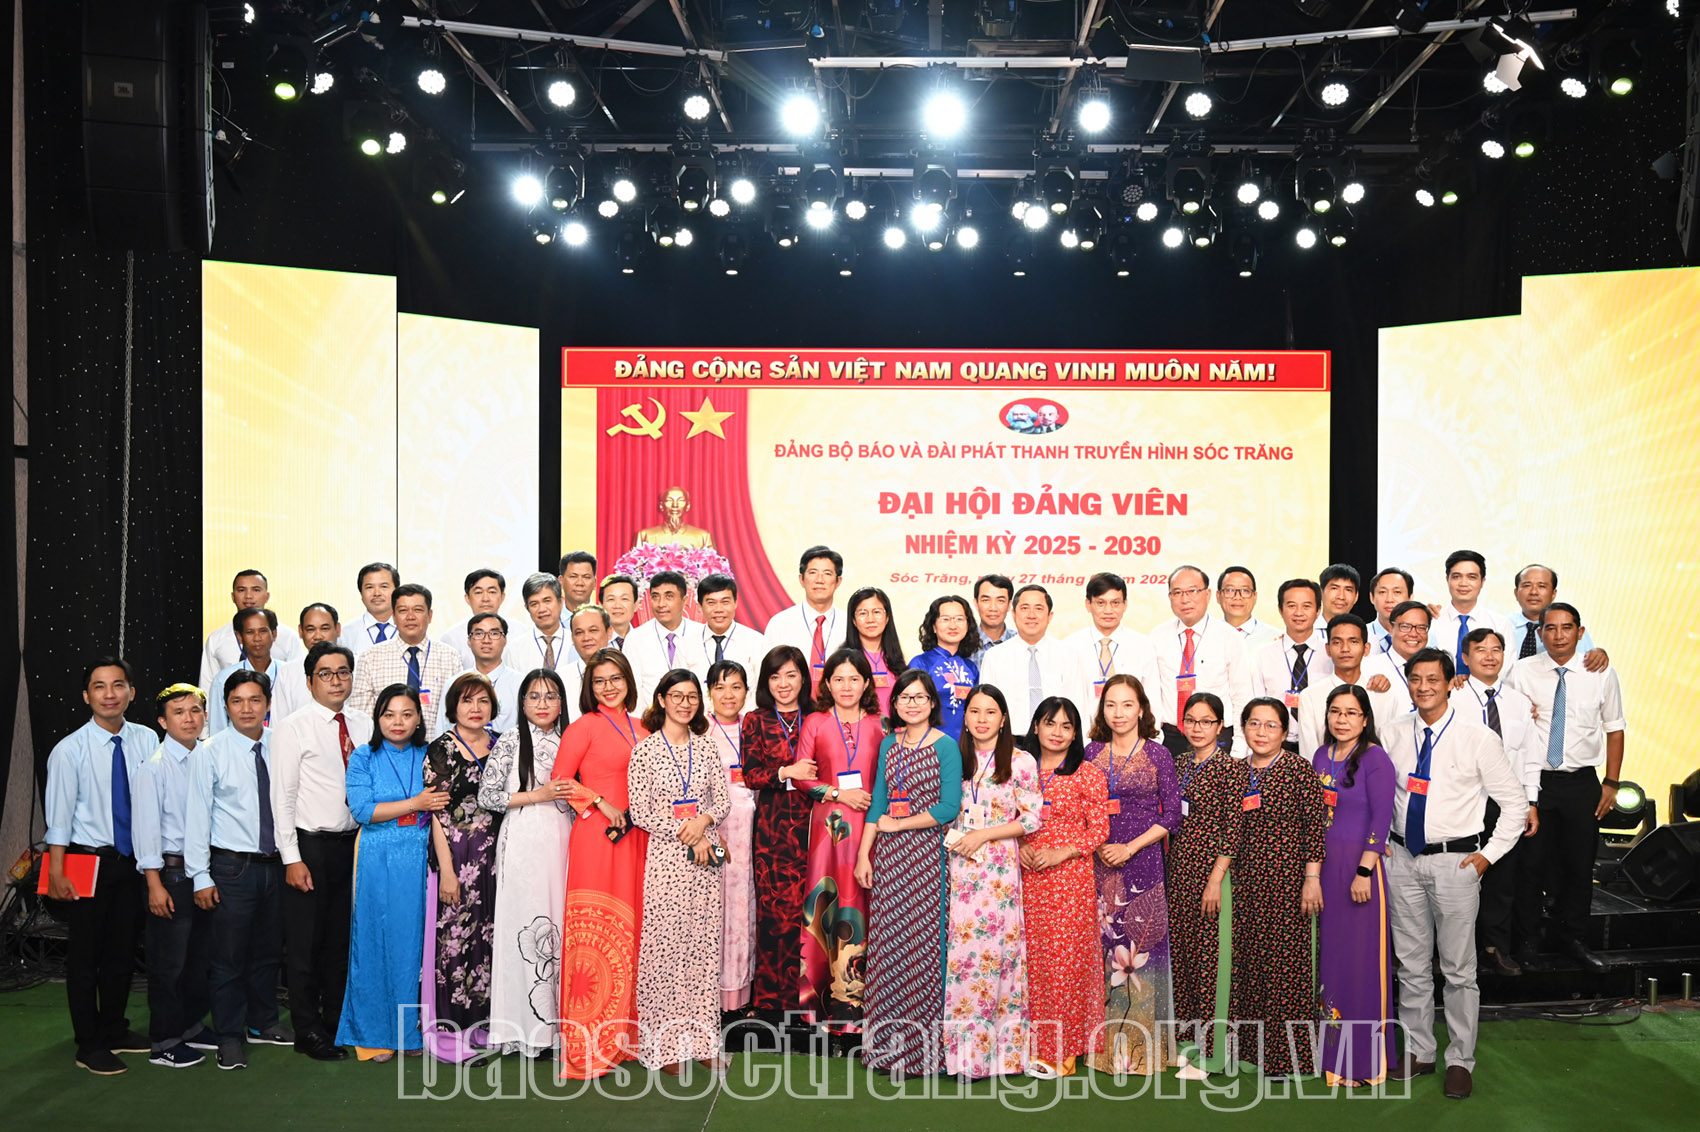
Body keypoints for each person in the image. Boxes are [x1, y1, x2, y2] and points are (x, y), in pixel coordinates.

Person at [1385, 648, 1525, 1100]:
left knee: (1459, 970)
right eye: (1416, 679)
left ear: (1450, 683)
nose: (1423, 687)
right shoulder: (1392, 732)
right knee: (1411, 966)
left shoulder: (1477, 738)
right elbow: (1381, 793)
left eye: (1433, 679)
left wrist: (1488, 856)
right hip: (1401, 860)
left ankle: (1461, 1059)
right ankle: (1421, 1051)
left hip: (1457, 863)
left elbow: (1515, 806)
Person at [1504, 603, 1626, 973]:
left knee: (1579, 864)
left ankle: (1573, 937)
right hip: (1535, 782)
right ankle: (1527, 939)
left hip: (1581, 782)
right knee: (1530, 864)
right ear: (1540, 633)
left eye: (1566, 628)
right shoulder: (1522, 671)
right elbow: (1507, 722)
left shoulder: (1600, 672)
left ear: (1579, 631)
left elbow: (1615, 728)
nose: (1558, 636)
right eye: (1551, 628)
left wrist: (1611, 782)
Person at [856, 670, 963, 1077]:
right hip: (889, 859)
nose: (912, 704)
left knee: (923, 949)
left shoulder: (946, 746)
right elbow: (878, 803)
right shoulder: (889, 744)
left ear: (932, 703)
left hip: (927, 857)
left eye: (920, 697)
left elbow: (948, 808)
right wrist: (864, 855)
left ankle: (923, 1055)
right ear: (895, 703)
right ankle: (885, 1050)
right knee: (888, 949)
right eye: (905, 697)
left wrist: (900, 825)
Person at [628, 669, 734, 1074]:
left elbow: (722, 801)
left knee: (703, 951)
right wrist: (685, 831)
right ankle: (665, 1046)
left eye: (692, 696)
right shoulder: (645, 751)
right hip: (667, 860)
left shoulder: (706, 747)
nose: (685, 703)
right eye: (677, 695)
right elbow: (640, 812)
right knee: (665, 950)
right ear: (661, 699)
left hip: (705, 863)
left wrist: (703, 821)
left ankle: (704, 1043)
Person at [185, 670, 292, 1071]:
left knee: (268, 953)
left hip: (276, 865)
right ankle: (229, 1036)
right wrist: (200, 876)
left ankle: (263, 1022)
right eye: (237, 701)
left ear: (268, 704)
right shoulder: (209, 751)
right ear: (225, 706)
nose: (247, 709)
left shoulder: (281, 745)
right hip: (231, 868)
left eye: (255, 700)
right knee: (228, 958)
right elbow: (196, 817)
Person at [552, 647, 650, 1079]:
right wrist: (599, 802)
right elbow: (560, 780)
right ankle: (586, 1047)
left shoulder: (644, 726)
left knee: (634, 934)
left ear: (628, 680)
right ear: (590, 688)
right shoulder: (583, 727)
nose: (609, 687)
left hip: (640, 839)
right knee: (595, 935)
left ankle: (626, 1040)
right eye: (599, 681)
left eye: (615, 678)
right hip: (597, 837)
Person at [270, 644, 366, 1062]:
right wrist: (291, 858)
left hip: (355, 845)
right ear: (310, 681)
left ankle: (335, 1022)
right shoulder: (292, 727)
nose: (336, 681)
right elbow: (282, 797)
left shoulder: (364, 723)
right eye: (325, 674)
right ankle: (307, 1029)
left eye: (343, 672)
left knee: (341, 942)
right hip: (310, 846)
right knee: (306, 944)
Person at [337, 685, 443, 1062]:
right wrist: (416, 803)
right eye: (389, 714)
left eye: (406, 714)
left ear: (419, 719)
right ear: (377, 718)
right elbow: (363, 811)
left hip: (420, 855)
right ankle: (375, 1033)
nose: (397, 722)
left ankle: (411, 1031)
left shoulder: (429, 755)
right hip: (377, 856)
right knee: (375, 940)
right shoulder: (364, 756)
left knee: (414, 944)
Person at [942, 685, 1041, 1079]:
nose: (982, 719)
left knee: (998, 958)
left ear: (1003, 719)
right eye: (975, 711)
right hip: (958, 867)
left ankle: (1003, 1057)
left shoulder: (1021, 760)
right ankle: (961, 1057)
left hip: (998, 872)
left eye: (990, 712)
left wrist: (984, 835)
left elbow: (1031, 819)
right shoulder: (953, 756)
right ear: (965, 718)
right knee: (961, 959)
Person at [1225, 697, 1328, 1079]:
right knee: (1249, 966)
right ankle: (1251, 1052)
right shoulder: (1237, 772)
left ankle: (1288, 1058)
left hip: (1288, 885)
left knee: (1286, 969)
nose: (1262, 732)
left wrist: (1312, 879)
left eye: (1271, 725)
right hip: (1244, 885)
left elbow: (1314, 830)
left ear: (1285, 732)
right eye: (1254, 723)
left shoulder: (1299, 770)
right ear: (1243, 728)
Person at [1085, 674, 1180, 1076]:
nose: (1118, 713)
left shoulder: (1158, 754)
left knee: (1142, 949)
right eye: (1111, 704)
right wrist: (1098, 846)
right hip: (1099, 863)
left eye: (1127, 704)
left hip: (1142, 862)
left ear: (1141, 709)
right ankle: (1102, 1048)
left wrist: (1130, 847)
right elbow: (1081, 808)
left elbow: (1171, 815)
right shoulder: (1091, 752)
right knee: (1104, 947)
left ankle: (1140, 1051)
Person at [479, 669, 575, 1059]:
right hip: (521, 839)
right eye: (533, 696)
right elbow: (488, 795)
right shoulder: (511, 740)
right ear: (522, 703)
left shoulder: (572, 738)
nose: (542, 703)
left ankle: (559, 1030)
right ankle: (523, 1030)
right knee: (523, 925)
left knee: (560, 923)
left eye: (550, 696)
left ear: (562, 702)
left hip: (564, 839)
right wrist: (539, 794)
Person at [794, 647, 885, 1039]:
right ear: (827, 684)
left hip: (869, 829)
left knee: (863, 906)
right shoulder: (815, 723)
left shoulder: (880, 724)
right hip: (828, 831)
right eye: (839, 679)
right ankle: (819, 1006)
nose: (846, 686)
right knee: (825, 907)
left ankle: (863, 1009)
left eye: (854, 678)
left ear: (866, 683)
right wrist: (837, 793)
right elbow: (802, 778)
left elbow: (887, 779)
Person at [1019, 696, 1108, 1078]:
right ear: (1035, 726)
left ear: (1075, 734)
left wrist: (1062, 852)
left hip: (1069, 880)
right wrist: (1019, 846)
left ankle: (1063, 1054)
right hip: (1025, 878)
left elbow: (1099, 829)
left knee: (1065, 965)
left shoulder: (1087, 774)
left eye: (1066, 726)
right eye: (1050, 723)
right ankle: (1028, 1047)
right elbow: (1003, 815)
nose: (1057, 732)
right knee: (1031, 964)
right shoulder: (1019, 768)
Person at [1312, 685, 1396, 1087]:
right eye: (1335, 711)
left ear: (1365, 719)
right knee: (1331, 958)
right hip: (1324, 869)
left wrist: (1365, 869)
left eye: (1351, 712)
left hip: (1358, 871)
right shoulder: (1320, 756)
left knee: (1361, 963)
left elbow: (1382, 818)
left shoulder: (1375, 759)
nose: (1341, 719)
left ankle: (1363, 1062)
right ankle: (1331, 1055)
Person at [1450, 629, 1542, 976]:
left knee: (1502, 879)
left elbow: (1530, 755)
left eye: (1496, 649)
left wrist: (1531, 801)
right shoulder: (1452, 697)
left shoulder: (1519, 702)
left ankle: (1494, 947)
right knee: (1459, 876)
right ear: (1465, 658)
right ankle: (1456, 950)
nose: (1489, 656)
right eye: (1480, 650)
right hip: (1465, 801)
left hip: (1507, 803)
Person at [1166, 693, 1248, 1080]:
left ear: (1220, 726)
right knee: (1184, 958)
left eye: (1206, 721)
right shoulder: (1180, 763)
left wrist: (1216, 879)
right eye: (1191, 720)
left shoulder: (1231, 769)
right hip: (1179, 871)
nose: (1198, 728)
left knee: (1213, 961)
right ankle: (1189, 1043)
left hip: (1214, 875)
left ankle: (1215, 1054)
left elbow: (1234, 828)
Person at [133, 684, 213, 1068]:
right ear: (163, 722)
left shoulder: (210, 758)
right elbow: (145, 830)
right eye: (178, 712)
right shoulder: (153, 768)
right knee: (169, 963)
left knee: (199, 958)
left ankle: (191, 1026)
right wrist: (154, 883)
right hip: (171, 874)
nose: (189, 718)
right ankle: (164, 1041)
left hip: (205, 871)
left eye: (195, 710)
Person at [422, 673, 501, 1062]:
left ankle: (484, 1025)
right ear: (453, 707)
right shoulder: (441, 749)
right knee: (454, 943)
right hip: (457, 856)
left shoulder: (502, 743)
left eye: (483, 701)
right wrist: (448, 871)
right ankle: (449, 1036)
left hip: (497, 857)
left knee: (489, 943)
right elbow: (436, 815)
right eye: (467, 701)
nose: (475, 708)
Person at [739, 646, 818, 1023]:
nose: (783, 684)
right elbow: (752, 775)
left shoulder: (818, 718)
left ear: (803, 678)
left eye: (790, 675)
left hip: (814, 825)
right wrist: (787, 772)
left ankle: (811, 1003)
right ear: (765, 682)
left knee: (813, 913)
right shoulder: (755, 720)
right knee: (774, 916)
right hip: (772, 831)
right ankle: (772, 1004)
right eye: (775, 676)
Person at [1150, 566, 1253, 750]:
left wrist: (1240, 747)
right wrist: (1154, 741)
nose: (1185, 599)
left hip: (1217, 738)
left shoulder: (1229, 636)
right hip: (1170, 738)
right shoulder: (1157, 636)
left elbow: (1242, 696)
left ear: (1208, 594)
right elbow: (1152, 695)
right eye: (1177, 593)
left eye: (1193, 591)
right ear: (1170, 597)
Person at [705, 661, 757, 1014]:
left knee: (744, 908)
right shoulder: (700, 730)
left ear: (746, 692)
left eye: (736, 687)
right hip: (716, 830)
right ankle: (709, 993)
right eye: (720, 687)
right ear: (709, 692)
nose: (728, 694)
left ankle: (740, 993)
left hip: (752, 830)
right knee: (714, 908)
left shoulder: (753, 727)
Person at [347, 584, 465, 735]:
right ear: (394, 616)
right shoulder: (370, 658)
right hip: (386, 747)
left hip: (437, 747)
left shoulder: (450, 657)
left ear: (430, 615)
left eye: (418, 610)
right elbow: (361, 718)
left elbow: (458, 712)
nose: (410, 617)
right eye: (403, 610)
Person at [977, 584, 1087, 727]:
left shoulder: (1068, 655)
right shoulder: (994, 657)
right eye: (1024, 608)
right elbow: (987, 708)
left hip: (1056, 736)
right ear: (1014, 614)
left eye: (1039, 609)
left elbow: (1079, 705)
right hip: (1010, 737)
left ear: (1050, 616)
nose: (1031, 615)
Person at [1295, 614, 1402, 757]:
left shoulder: (1385, 696)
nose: (1345, 649)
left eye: (1353, 642)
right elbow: (1309, 754)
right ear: (1328, 649)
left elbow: (1391, 750)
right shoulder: (1310, 697)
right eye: (1337, 642)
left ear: (1366, 649)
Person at [1066, 572, 1161, 720]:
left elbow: (1152, 699)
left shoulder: (1142, 645)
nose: (1108, 610)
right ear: (1088, 605)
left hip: (1131, 732)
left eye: (1115, 603)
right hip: (1084, 731)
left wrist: (1151, 733)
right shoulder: (1070, 646)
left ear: (1125, 605)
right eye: (1100, 603)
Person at [1249, 581, 1333, 747]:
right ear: (1281, 610)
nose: (1299, 613)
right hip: (1275, 744)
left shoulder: (1330, 654)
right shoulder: (1263, 655)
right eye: (1291, 606)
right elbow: (1256, 705)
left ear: (1318, 611)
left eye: (1306, 606)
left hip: (1321, 742)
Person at [206, 608, 305, 733]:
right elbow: (217, 730)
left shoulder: (291, 674)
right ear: (239, 637)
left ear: (274, 634)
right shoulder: (223, 679)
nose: (257, 638)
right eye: (250, 632)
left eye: (263, 631)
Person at [199, 570, 304, 688]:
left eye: (256, 590)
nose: (248, 596)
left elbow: (298, 682)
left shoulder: (289, 637)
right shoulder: (216, 639)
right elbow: (207, 687)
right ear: (233, 597)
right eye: (241, 590)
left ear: (267, 596)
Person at [625, 570, 708, 708]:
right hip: (651, 717)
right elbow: (633, 691)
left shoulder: (702, 634)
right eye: (655, 597)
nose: (661, 604)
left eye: (669, 596)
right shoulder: (636, 638)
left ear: (685, 600)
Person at [762, 545, 847, 677]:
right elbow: (767, 674)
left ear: (838, 581)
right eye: (813, 573)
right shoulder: (780, 623)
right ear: (801, 579)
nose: (819, 580)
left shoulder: (849, 624)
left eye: (827, 574)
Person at [1427, 551, 1511, 681]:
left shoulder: (1499, 623)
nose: (1463, 583)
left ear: (1482, 582)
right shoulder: (1433, 620)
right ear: (1447, 579)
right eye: (1456, 576)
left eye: (1471, 577)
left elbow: (1507, 669)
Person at [908, 595, 982, 742]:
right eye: (945, 619)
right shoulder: (921, 663)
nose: (953, 626)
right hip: (930, 743)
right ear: (934, 626)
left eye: (959, 619)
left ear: (968, 624)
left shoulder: (971, 667)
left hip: (967, 744)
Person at [1505, 565, 1606, 668]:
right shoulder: (1502, 626)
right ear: (1516, 593)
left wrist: (1599, 654)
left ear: (1553, 593)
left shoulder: (1571, 628)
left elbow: (1591, 660)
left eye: (1542, 586)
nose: (1534, 592)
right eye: (1527, 585)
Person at [696, 574, 768, 703]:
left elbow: (763, 690)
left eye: (725, 602)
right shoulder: (686, 644)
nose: (719, 609)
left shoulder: (756, 642)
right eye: (711, 603)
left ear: (735, 603)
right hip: (702, 715)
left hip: (745, 715)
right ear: (700, 607)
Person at [847, 586, 908, 717]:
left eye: (877, 612)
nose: (870, 619)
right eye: (863, 613)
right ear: (853, 621)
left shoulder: (896, 658)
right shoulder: (845, 660)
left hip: (895, 728)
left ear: (887, 617)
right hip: (859, 728)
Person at [464, 612, 522, 732]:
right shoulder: (454, 683)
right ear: (469, 641)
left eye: (494, 634)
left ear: (505, 639)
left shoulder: (521, 683)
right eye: (479, 634)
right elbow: (443, 730)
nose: (486, 640)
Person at [443, 569, 508, 670]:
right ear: (467, 598)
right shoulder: (451, 638)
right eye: (478, 592)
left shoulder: (519, 631)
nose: (485, 599)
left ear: (502, 597)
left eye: (492, 592)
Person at [507, 573, 571, 674]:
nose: (542, 609)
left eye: (547, 601)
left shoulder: (576, 642)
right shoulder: (514, 649)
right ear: (527, 608)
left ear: (561, 602)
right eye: (534, 604)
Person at [1380, 600, 1434, 709]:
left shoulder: (1436, 669)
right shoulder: (1368, 669)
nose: (1413, 634)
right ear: (1391, 629)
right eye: (1405, 627)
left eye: (1421, 627)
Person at [339, 562, 400, 658]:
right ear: (361, 593)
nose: (377, 593)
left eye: (384, 586)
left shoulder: (412, 629)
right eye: (369, 587)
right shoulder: (345, 634)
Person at [562, 604, 613, 718]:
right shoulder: (560, 679)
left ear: (609, 632)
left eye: (593, 630)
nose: (586, 638)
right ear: (572, 638)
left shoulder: (625, 673)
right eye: (579, 632)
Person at [1216, 566, 1277, 650]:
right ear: (1218, 596)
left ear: (1255, 597)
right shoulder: (1205, 636)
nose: (1237, 597)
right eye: (1230, 590)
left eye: (1245, 590)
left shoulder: (1274, 638)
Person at [635, 487, 716, 549]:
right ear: (661, 506)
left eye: (680, 500)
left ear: (688, 506)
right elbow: (635, 564)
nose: (675, 505)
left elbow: (713, 564)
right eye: (669, 500)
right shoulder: (645, 535)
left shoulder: (703, 536)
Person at [969, 574, 1017, 668]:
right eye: (986, 600)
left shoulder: (1021, 641)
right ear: (976, 603)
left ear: (1009, 605)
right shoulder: (963, 642)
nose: (993, 608)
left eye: (1000, 601)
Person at [1367, 568, 1414, 657]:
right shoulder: (1360, 635)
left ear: (1410, 598)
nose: (1389, 599)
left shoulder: (1422, 638)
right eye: (1382, 592)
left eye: (1397, 592)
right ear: (1372, 597)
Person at [599, 574, 639, 650]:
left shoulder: (647, 641)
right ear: (601, 606)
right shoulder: (592, 642)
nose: (617, 606)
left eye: (624, 599)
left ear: (636, 605)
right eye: (611, 599)